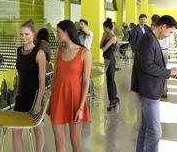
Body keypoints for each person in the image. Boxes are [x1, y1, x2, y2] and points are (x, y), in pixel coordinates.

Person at [131, 15, 177, 152]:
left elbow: (151, 64)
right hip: (149, 90)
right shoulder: (148, 39)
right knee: (155, 131)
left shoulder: (150, 38)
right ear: (163, 26)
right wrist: (168, 72)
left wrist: (169, 73)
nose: (169, 36)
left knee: (145, 127)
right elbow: (147, 66)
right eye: (170, 32)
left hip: (149, 88)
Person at [50, 20, 91, 152]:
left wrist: (80, 108)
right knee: (59, 143)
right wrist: (51, 101)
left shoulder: (85, 53)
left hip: (75, 100)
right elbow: (55, 77)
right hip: (58, 99)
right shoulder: (58, 52)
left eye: (58, 32)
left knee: (75, 142)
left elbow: (85, 82)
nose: (57, 35)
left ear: (67, 32)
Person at [12, 20, 47, 152]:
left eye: (26, 34)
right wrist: (16, 94)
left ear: (33, 34)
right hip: (21, 97)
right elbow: (20, 75)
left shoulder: (39, 53)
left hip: (34, 97)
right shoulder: (19, 51)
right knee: (15, 132)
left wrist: (38, 103)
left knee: (38, 129)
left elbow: (42, 80)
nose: (23, 37)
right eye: (21, 34)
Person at [99, 18, 119, 111]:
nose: (103, 30)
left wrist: (104, 40)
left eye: (104, 28)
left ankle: (112, 100)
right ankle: (114, 97)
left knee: (110, 79)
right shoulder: (106, 36)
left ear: (108, 28)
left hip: (110, 59)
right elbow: (100, 46)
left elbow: (103, 49)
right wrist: (103, 37)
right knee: (110, 79)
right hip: (106, 59)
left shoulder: (113, 38)